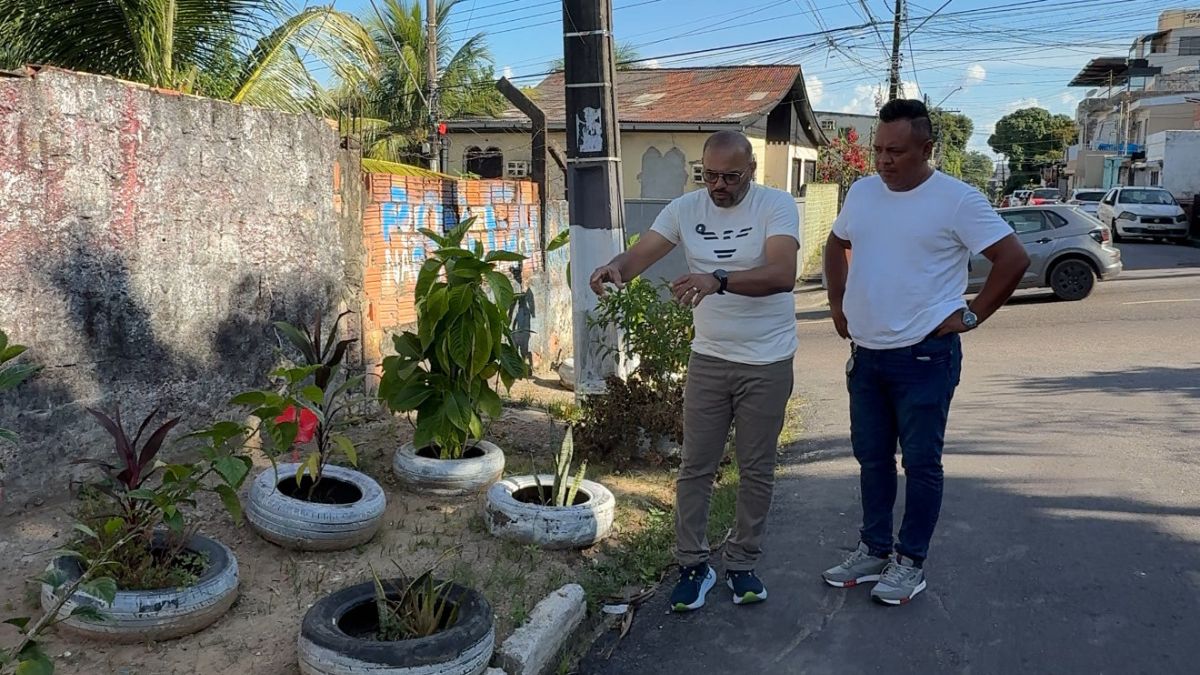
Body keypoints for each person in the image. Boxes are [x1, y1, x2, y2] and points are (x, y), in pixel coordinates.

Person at [821, 99, 1030, 606]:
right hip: (867, 356)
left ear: (927, 148)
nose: (883, 160)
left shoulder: (957, 200)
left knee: (920, 463)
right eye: (878, 149)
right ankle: (874, 549)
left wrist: (972, 314)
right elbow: (835, 243)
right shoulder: (864, 192)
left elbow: (1013, 258)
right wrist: (837, 302)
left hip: (923, 358)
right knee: (872, 459)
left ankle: (910, 562)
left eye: (895, 151)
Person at [589, 131, 799, 612]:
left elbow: (782, 274)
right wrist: (614, 268)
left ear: (751, 171)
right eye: (710, 176)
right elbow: (639, 255)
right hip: (709, 358)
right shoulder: (685, 209)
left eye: (731, 177)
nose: (719, 186)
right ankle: (693, 565)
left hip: (767, 360)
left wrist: (717, 280)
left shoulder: (775, 206)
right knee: (695, 466)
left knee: (756, 468)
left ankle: (742, 563)